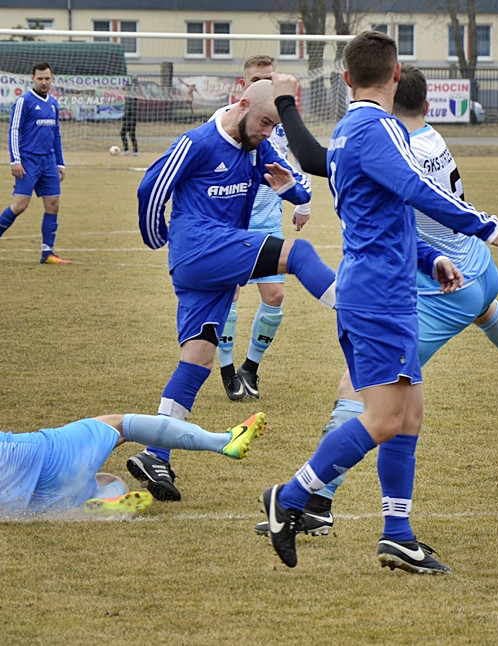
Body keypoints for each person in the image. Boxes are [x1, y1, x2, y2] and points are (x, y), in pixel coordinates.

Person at [253, 64, 498, 541]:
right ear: (424, 104)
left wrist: (484, 225)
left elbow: (377, 179)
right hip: (467, 273)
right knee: (417, 398)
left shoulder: (386, 140)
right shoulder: (412, 136)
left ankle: (312, 500)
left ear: (349, 81)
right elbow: (325, 161)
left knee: (368, 397)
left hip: (418, 285)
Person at [126, 79, 338, 503]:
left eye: (273, 126)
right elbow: (152, 186)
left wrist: (287, 189)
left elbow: (297, 185)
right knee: (299, 255)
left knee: (199, 357)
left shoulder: (258, 146)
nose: (266, 132)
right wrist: (156, 236)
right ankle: (357, 311)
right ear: (241, 106)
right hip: (200, 249)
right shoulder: (199, 142)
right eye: (263, 122)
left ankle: (155, 453)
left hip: (215, 262)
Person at [213, 55, 313, 402]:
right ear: (243, 84)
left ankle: (250, 369)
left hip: (269, 219)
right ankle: (227, 372)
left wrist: (304, 203)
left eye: (270, 79)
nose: (264, 85)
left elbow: (299, 162)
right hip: (231, 221)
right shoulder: (222, 119)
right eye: (257, 78)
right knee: (231, 297)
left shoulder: (284, 122)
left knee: (275, 296)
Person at [1, 411, 265, 518]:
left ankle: (94, 506)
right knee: (119, 424)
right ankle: (224, 441)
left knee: (108, 480)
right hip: (37, 455)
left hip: (19, 501)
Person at [0, 62, 70, 264]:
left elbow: (56, 134)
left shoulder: (54, 103)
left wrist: (60, 163)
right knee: (20, 205)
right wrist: (15, 160)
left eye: (47, 78)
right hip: (28, 161)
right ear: (32, 78)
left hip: (48, 161)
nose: (44, 82)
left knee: (53, 205)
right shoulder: (24, 101)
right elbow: (14, 131)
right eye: (40, 78)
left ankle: (47, 253)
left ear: (52, 78)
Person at [120, 82, 139, 156]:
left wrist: (124, 117)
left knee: (123, 133)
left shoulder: (130, 97)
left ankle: (127, 150)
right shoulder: (131, 96)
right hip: (132, 118)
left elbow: (129, 109)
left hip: (129, 119)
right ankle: (135, 151)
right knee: (131, 134)